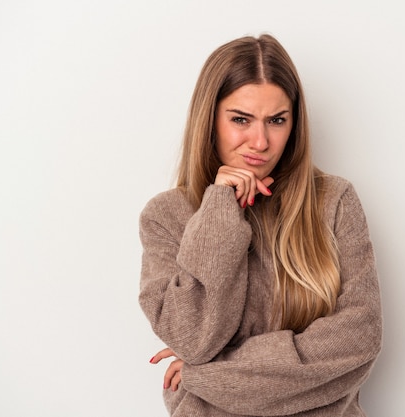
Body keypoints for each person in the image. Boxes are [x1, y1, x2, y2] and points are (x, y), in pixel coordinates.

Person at [139, 33, 382, 416]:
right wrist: (219, 212)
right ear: (210, 120)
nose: (260, 141)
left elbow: (357, 339)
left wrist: (208, 375)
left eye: (277, 120)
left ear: (294, 124)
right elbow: (193, 338)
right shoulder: (167, 217)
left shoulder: (333, 201)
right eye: (240, 119)